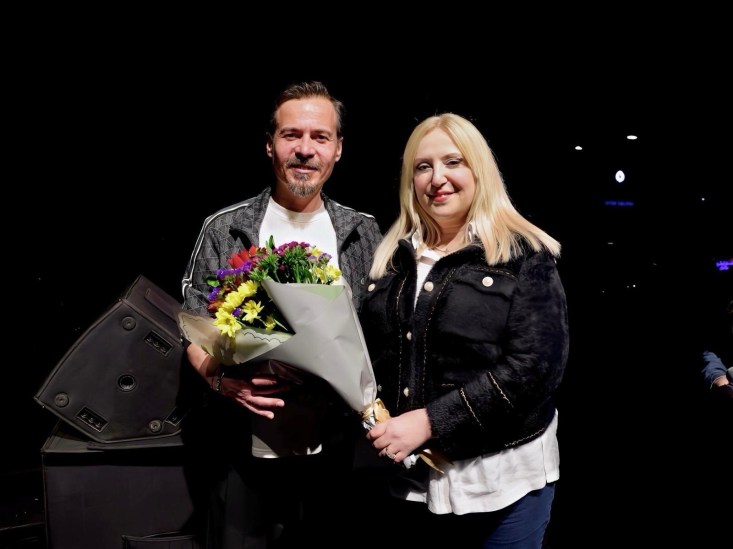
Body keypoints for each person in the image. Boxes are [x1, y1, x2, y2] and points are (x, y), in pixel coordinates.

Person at [181, 81, 382, 548]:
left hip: (338, 450)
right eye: (292, 135)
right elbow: (193, 326)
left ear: (338, 150)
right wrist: (220, 381)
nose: (305, 149)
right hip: (244, 449)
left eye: (320, 137)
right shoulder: (226, 228)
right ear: (270, 144)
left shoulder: (364, 232)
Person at [358, 113, 569, 548]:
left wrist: (431, 421)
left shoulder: (525, 254)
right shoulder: (390, 260)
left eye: (453, 162)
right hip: (409, 486)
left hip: (503, 485)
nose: (437, 178)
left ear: (478, 170)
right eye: (423, 166)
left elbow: (537, 369)